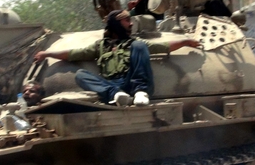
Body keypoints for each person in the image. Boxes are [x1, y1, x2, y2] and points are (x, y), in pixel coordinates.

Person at [34, 10, 200, 106]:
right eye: (127, 20)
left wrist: (185, 41)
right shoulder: (100, 46)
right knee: (81, 75)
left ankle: (141, 92)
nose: (131, 23)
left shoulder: (134, 43)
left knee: (140, 46)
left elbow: (163, 47)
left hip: (132, 81)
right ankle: (117, 95)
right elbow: (72, 54)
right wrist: (47, 54)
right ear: (115, 24)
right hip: (112, 84)